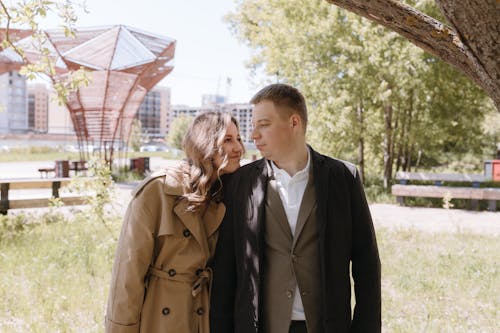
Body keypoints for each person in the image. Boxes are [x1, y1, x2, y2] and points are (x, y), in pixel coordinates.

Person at [210, 84, 381, 333]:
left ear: (294, 122)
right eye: (254, 124)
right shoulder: (240, 183)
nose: (254, 135)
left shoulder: (343, 177)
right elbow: (226, 270)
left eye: (264, 124)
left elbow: (367, 264)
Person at [105, 111, 244, 333]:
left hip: (210, 315)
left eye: (239, 139)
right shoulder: (158, 191)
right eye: (228, 140)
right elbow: (128, 273)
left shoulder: (230, 192)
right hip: (162, 317)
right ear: (204, 144)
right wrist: (121, 329)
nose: (239, 148)